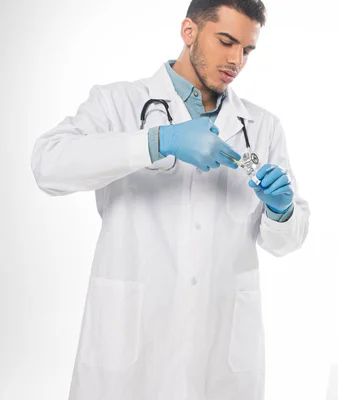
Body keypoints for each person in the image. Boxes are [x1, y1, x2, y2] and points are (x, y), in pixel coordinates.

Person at [30, 1, 309, 399]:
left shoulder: (261, 127)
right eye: (226, 41)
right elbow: (48, 165)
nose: (236, 60)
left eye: (246, 50)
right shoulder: (118, 104)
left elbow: (287, 241)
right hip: (129, 347)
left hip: (221, 354)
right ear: (189, 31)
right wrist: (157, 141)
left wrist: (281, 212)